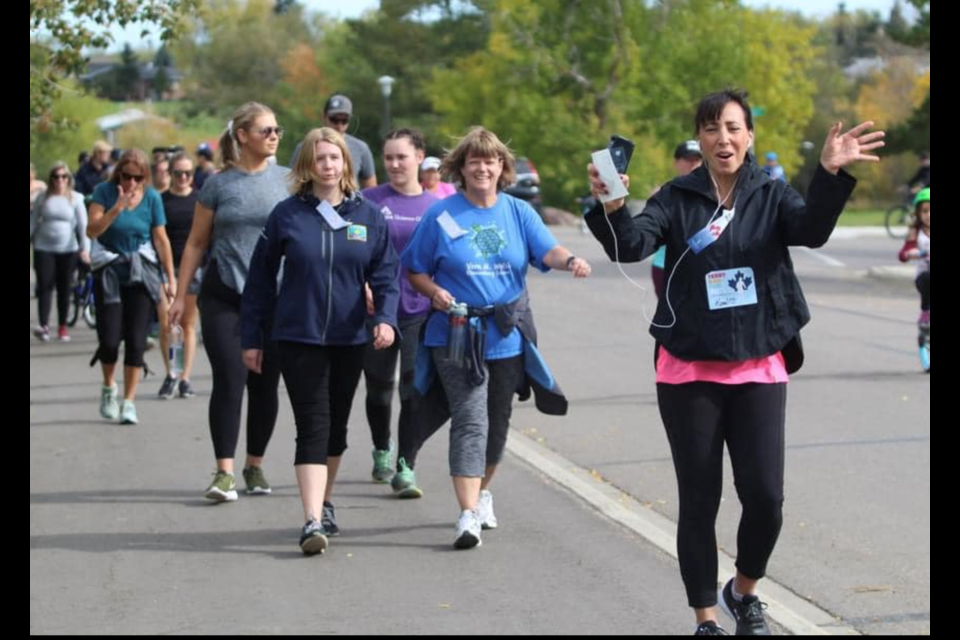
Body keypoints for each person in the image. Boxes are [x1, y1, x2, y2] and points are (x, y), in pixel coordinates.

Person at [585, 89, 884, 636]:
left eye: (732, 128)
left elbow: (811, 231)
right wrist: (610, 205)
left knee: (766, 498)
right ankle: (705, 619)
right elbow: (631, 245)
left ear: (749, 136)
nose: (722, 138)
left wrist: (831, 174)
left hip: (757, 365)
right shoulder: (675, 198)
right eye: (710, 129)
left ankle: (742, 591)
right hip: (688, 370)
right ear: (699, 139)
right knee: (700, 499)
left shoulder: (771, 194)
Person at [402, 127, 591, 550]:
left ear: (502, 167)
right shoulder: (442, 215)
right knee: (470, 419)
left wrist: (572, 260)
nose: (483, 167)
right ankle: (467, 514)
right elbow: (414, 268)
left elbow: (548, 251)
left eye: (491, 160)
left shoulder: (517, 212)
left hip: (506, 333)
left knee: (497, 422)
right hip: (455, 333)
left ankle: (482, 492)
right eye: (474, 161)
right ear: (462, 168)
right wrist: (433, 293)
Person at [241, 127, 400, 555]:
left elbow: (386, 276)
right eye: (319, 158)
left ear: (345, 163)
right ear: (306, 166)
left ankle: (325, 502)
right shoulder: (287, 215)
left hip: (350, 339)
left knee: (337, 427)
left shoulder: (367, 217)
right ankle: (312, 519)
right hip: (298, 336)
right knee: (312, 424)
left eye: (334, 158)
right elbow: (259, 280)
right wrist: (252, 337)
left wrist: (385, 319)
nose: (327, 166)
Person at [169, 102, 290, 502]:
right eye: (265, 130)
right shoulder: (219, 184)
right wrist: (178, 295)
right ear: (242, 136)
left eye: (276, 130)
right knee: (230, 377)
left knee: (264, 384)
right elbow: (196, 244)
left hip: (273, 299)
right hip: (224, 294)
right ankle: (223, 472)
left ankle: (254, 465)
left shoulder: (290, 181)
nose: (274, 136)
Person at [361, 129, 438, 496]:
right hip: (375, 310)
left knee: (412, 388)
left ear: (419, 157)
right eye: (388, 157)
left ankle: (406, 466)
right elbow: (352, 252)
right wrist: (361, 285)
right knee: (378, 390)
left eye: (401, 157)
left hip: (419, 310)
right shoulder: (367, 201)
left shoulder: (435, 207)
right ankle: (381, 447)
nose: (393, 164)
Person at [86, 149, 177, 425]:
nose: (132, 183)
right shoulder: (103, 192)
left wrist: (171, 278)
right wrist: (117, 208)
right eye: (127, 176)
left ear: (144, 177)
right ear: (119, 174)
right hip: (110, 272)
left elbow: (161, 239)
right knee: (111, 341)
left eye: (138, 178)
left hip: (141, 273)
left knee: (137, 342)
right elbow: (93, 230)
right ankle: (108, 387)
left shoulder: (151, 197)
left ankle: (129, 401)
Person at [156, 153, 202, 399]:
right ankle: (170, 373)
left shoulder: (200, 200)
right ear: (170, 174)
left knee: (188, 324)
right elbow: (157, 238)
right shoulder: (161, 201)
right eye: (178, 173)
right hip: (166, 269)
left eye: (188, 173)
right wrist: (164, 271)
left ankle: (185, 377)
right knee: (167, 324)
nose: (183, 177)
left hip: (194, 269)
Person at [30, 162, 90, 342]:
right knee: (44, 286)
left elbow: (83, 226)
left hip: (68, 249)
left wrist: (84, 249)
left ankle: (62, 326)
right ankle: (44, 325)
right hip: (43, 247)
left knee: (64, 288)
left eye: (64, 177)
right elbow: (33, 222)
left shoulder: (76, 198)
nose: (60, 180)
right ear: (51, 179)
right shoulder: (42, 198)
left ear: (68, 179)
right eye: (56, 177)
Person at [650, 141, 704, 299]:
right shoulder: (664, 194)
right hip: (666, 265)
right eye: (688, 159)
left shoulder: (715, 194)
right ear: (676, 163)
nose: (693, 164)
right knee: (671, 319)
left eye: (697, 159)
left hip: (701, 266)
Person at [288, 94, 378, 189]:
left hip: (349, 201)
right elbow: (293, 180)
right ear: (324, 117)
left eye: (344, 120)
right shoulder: (305, 147)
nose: (339, 125)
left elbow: (370, 185)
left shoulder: (361, 148)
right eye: (334, 119)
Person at [898, 187, 930, 368]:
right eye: (924, 211)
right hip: (924, 278)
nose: (928, 215)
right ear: (918, 213)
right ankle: (926, 314)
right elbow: (902, 254)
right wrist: (910, 253)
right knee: (928, 277)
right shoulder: (915, 233)